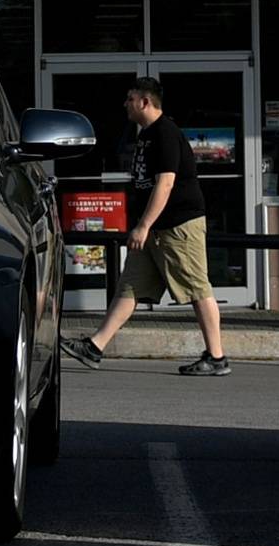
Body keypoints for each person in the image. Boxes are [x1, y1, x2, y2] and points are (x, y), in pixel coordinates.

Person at [62, 77, 229, 377]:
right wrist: (144, 226)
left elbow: (165, 184)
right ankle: (94, 347)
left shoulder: (165, 133)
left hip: (178, 226)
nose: (125, 103)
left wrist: (143, 225)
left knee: (196, 287)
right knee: (130, 286)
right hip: (153, 229)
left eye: (130, 98)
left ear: (145, 102)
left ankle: (217, 357)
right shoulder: (146, 135)